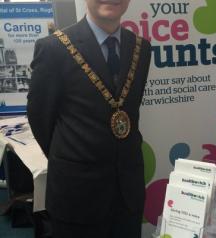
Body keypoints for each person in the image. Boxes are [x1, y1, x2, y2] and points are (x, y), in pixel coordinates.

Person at [27, 0, 151, 237]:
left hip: (128, 191)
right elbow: (40, 118)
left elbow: (129, 112)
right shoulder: (54, 49)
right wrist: (72, 154)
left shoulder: (141, 49)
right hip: (76, 194)